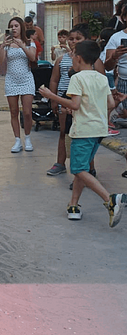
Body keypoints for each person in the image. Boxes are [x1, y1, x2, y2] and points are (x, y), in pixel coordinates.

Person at [39, 40, 126, 226]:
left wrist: (51, 96)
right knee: (83, 168)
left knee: (78, 169)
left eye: (72, 56)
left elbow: (75, 104)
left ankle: (110, 199)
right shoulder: (102, 78)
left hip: (83, 131)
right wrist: (119, 100)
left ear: (78, 58)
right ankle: (73, 205)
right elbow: (110, 105)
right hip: (98, 131)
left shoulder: (77, 78)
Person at [47, 25, 107, 175]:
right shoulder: (62, 59)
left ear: (85, 40)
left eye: (78, 39)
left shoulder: (94, 61)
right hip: (64, 101)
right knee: (64, 132)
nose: (74, 42)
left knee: (86, 138)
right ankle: (60, 163)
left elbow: (101, 81)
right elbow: (54, 80)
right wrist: (55, 100)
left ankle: (88, 168)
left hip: (85, 104)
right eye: (71, 39)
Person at [0, 17, 37, 153]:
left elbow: (32, 57)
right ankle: (17, 140)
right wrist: (3, 46)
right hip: (11, 80)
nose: (14, 28)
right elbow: (0, 61)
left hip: (26, 79)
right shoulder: (7, 44)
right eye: (11, 26)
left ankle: (27, 138)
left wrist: (21, 45)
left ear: (21, 27)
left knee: (27, 112)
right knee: (14, 112)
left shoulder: (29, 42)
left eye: (16, 26)